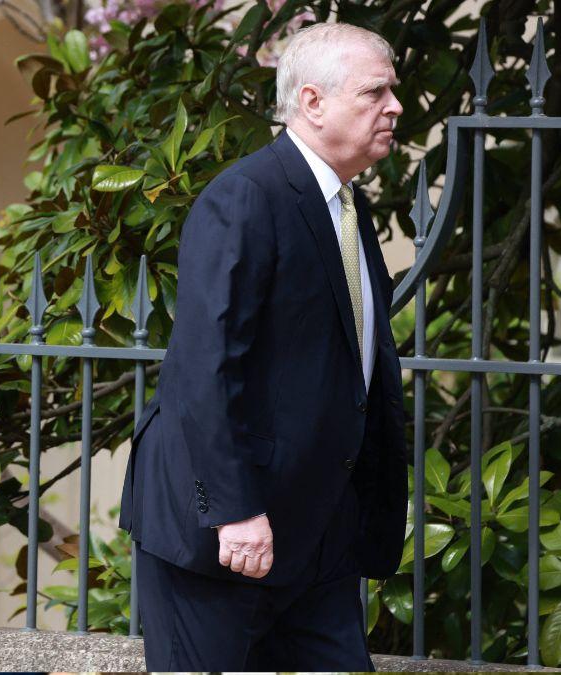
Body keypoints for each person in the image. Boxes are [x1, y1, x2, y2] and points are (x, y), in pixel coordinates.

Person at [119, 23, 409, 670]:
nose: (396, 107)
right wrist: (237, 510)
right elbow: (205, 364)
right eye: (375, 92)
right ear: (312, 102)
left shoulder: (347, 208)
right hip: (223, 536)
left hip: (316, 536)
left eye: (393, 91)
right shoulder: (248, 197)